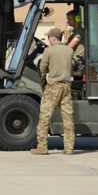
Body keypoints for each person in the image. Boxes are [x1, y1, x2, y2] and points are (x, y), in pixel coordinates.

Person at [30, 27, 75, 155]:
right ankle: (69, 148)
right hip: (66, 86)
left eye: (49, 37)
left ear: (53, 37)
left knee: (44, 117)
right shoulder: (69, 50)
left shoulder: (49, 51)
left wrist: (43, 82)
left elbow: (43, 68)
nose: (48, 39)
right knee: (67, 118)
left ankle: (42, 147)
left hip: (53, 87)